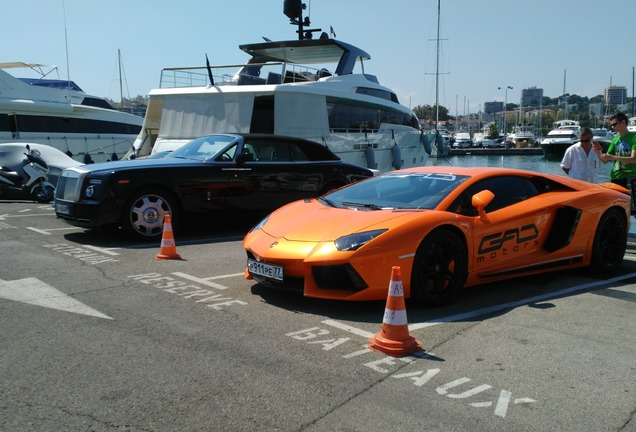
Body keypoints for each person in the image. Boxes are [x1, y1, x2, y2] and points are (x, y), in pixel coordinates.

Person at [594, 112, 636, 187]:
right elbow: (605, 161)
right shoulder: (615, 140)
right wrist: (598, 152)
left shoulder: (634, 138)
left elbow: (633, 159)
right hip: (615, 177)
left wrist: (612, 157)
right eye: (611, 125)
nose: (612, 127)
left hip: (630, 177)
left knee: (630, 199)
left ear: (623, 122)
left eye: (614, 124)